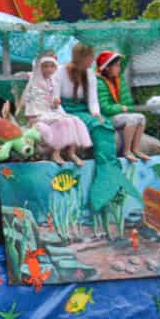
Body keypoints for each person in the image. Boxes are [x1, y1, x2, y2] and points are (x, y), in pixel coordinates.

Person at [57, 43, 137, 214]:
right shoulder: (61, 72)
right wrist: (65, 116)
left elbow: (93, 101)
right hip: (64, 110)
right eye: (89, 57)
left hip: (83, 110)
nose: (92, 61)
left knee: (103, 125)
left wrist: (96, 114)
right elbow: (55, 99)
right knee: (82, 124)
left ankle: (108, 172)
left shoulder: (90, 75)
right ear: (81, 57)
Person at [18, 51, 91, 166]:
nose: (49, 69)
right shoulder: (35, 81)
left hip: (50, 113)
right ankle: (55, 153)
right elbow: (30, 103)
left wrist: (55, 103)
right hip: (37, 116)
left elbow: (52, 104)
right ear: (40, 68)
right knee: (62, 122)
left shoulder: (52, 82)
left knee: (75, 120)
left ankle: (71, 152)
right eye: (45, 66)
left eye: (52, 66)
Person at [96, 51, 151, 162]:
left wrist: (124, 108)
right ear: (106, 68)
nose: (119, 68)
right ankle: (126, 151)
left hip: (120, 115)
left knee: (141, 117)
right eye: (116, 65)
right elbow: (105, 108)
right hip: (107, 118)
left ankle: (136, 149)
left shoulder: (119, 80)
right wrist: (121, 108)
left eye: (119, 65)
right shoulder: (99, 83)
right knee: (131, 119)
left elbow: (129, 105)